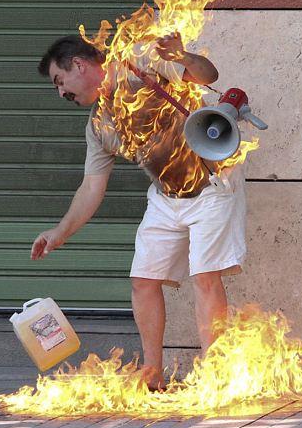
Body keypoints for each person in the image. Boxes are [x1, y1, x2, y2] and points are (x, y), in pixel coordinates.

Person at [31, 32, 247, 391]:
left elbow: (209, 75)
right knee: (143, 280)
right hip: (165, 196)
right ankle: (152, 372)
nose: (61, 93)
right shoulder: (99, 126)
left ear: (80, 65)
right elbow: (91, 188)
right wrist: (60, 233)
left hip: (211, 185)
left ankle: (216, 376)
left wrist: (183, 55)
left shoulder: (141, 63)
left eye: (60, 81)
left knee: (206, 276)